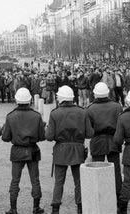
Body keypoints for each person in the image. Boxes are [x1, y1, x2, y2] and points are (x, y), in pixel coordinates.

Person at [46, 85, 93, 214]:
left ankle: (55, 208)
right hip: (77, 149)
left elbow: (49, 137)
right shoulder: (82, 112)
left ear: (60, 98)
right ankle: (80, 207)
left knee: (59, 182)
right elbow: (89, 134)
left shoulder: (55, 113)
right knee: (79, 182)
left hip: (61, 150)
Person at [2, 88, 46, 214]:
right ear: (29, 100)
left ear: (16, 100)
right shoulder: (36, 116)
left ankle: (13, 208)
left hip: (17, 150)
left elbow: (5, 137)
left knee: (15, 180)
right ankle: (36, 207)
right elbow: (42, 137)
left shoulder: (10, 116)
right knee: (35, 180)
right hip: (32, 150)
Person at [85, 82, 123, 199]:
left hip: (97, 140)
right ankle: (118, 193)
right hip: (113, 138)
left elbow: (89, 131)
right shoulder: (117, 106)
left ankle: (99, 193)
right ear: (107, 92)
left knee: (97, 168)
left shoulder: (90, 109)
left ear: (95, 94)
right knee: (116, 168)